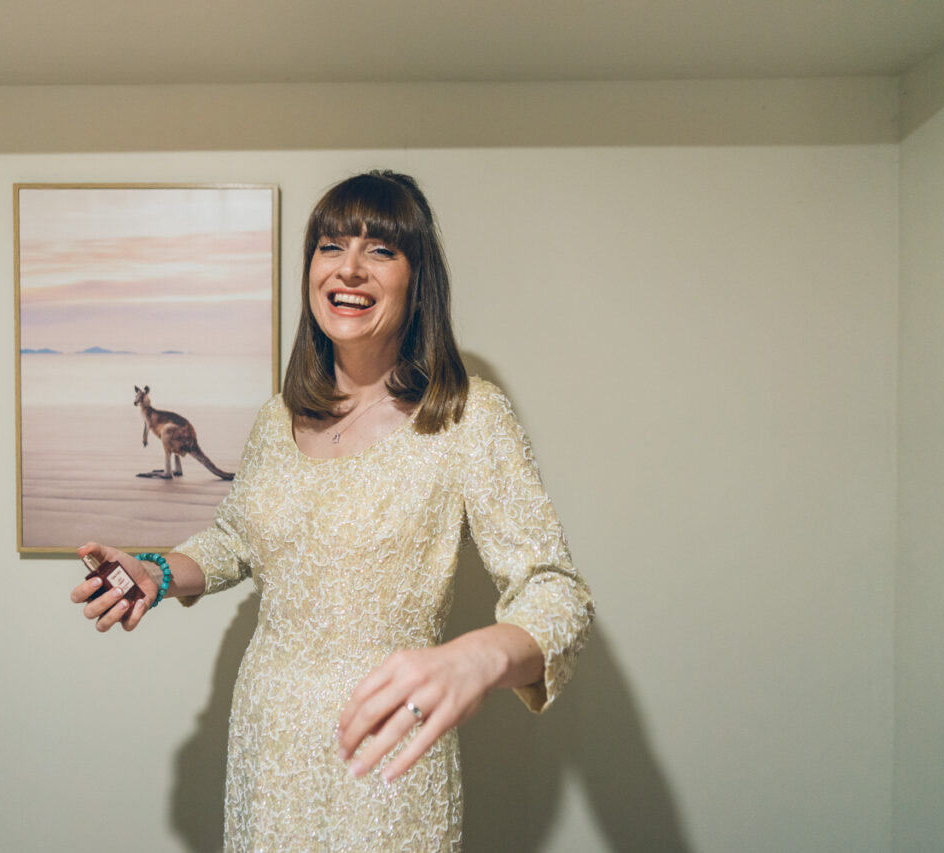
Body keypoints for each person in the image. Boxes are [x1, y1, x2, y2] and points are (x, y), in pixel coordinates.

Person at [71, 170, 593, 851]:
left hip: (387, 754)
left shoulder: (467, 415)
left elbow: (558, 594)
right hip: (269, 748)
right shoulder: (275, 420)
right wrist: (158, 574)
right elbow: (236, 539)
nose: (349, 266)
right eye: (330, 245)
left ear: (417, 278)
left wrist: (479, 657)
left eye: (380, 249)